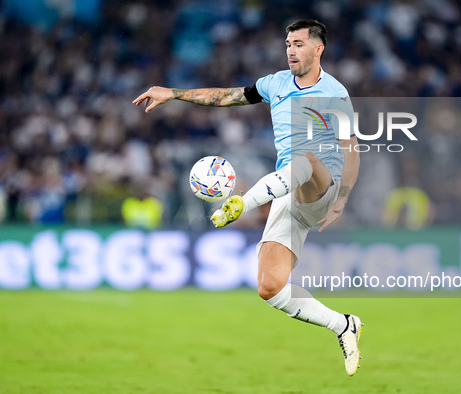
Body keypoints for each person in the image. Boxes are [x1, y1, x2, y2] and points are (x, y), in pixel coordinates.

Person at [133, 20, 363, 376]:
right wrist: (174, 93)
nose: (290, 49)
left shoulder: (336, 94)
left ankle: (241, 203)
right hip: (285, 191)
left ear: (318, 49)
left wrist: (342, 199)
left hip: (321, 183)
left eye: (299, 43)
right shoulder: (275, 84)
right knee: (269, 287)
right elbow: (227, 96)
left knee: (307, 159)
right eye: (288, 43)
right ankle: (343, 325)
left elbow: (352, 151)